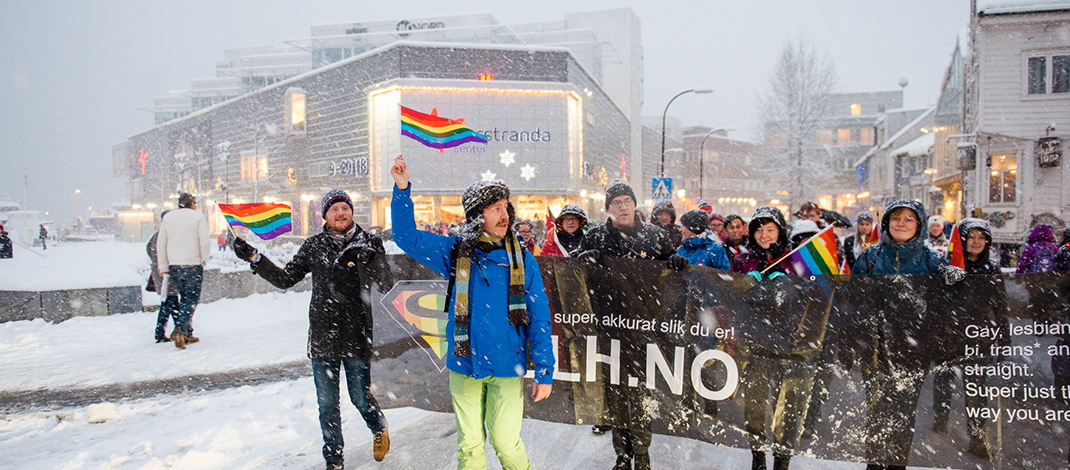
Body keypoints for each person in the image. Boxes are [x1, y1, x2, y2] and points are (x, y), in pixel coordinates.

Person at [389, 156, 554, 470]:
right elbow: (406, 237)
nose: (504, 215)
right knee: (470, 447)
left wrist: (544, 368)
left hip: (508, 367)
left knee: (506, 442)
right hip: (464, 366)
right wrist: (401, 189)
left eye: (505, 207)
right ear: (478, 216)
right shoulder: (454, 252)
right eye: (495, 209)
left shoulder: (523, 260)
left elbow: (540, 317)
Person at [233, 189, 393, 469]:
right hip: (323, 336)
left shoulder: (369, 241)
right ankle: (334, 460)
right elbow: (285, 279)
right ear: (325, 215)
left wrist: (372, 262)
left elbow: (386, 285)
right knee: (328, 406)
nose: (341, 213)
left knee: (360, 397)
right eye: (334, 209)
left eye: (345, 208)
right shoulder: (314, 245)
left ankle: (379, 427)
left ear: (352, 211)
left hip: (357, 333)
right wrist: (255, 258)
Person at [578, 179, 682, 470]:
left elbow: (670, 273)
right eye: (616, 203)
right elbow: (576, 277)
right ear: (608, 208)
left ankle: (643, 453)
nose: (622, 207)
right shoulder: (596, 236)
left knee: (639, 393)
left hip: (642, 329)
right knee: (614, 393)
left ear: (635, 204)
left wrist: (675, 262)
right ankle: (622, 455)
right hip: (608, 327)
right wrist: (582, 261)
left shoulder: (654, 235)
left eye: (626, 201)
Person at [851, 200, 963, 470]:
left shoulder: (931, 260)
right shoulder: (871, 257)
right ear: (887, 222)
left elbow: (945, 308)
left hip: (913, 353)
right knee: (876, 413)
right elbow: (852, 298)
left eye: (908, 219)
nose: (901, 223)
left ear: (919, 225)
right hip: (876, 350)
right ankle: (874, 464)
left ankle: (897, 464)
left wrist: (956, 282)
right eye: (896, 218)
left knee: (903, 413)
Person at [730, 206, 810, 470]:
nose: (764, 235)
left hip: (790, 345)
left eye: (770, 230)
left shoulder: (795, 259)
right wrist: (743, 285)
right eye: (759, 230)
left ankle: (782, 459)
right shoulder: (743, 260)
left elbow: (812, 297)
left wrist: (788, 283)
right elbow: (730, 295)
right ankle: (758, 456)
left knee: (787, 406)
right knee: (754, 405)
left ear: (780, 231)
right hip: (755, 344)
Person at [929, 217, 1007, 460]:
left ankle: (976, 435)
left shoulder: (991, 269)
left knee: (976, 388)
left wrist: (1003, 337)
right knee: (943, 381)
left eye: (981, 237)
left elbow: (1000, 306)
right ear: (962, 239)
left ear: (988, 241)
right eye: (971, 236)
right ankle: (940, 418)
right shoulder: (948, 264)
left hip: (978, 336)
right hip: (948, 335)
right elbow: (934, 301)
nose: (976, 242)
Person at [156, 193, 211, 349]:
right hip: (192, 263)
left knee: (184, 298)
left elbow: (161, 244)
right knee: (192, 299)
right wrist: (203, 259)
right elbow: (205, 241)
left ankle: (186, 334)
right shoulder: (197, 217)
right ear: (192, 204)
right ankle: (180, 330)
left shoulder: (168, 218)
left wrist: (163, 266)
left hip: (175, 265)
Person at [147, 210, 180, 343]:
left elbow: (149, 248)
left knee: (172, 302)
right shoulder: (165, 235)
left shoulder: (157, 235)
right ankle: (162, 332)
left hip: (161, 272)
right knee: (169, 303)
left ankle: (181, 329)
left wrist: (156, 263)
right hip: (167, 274)